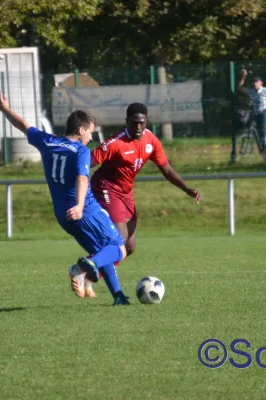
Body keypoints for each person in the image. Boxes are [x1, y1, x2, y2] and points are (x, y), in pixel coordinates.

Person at [0, 90, 131, 306]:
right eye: (90, 132)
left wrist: (5, 109)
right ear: (81, 129)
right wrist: (79, 205)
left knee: (101, 250)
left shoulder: (48, 142)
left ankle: (119, 297)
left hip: (62, 214)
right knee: (119, 248)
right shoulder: (80, 151)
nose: (91, 138)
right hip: (85, 210)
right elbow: (82, 178)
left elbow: (24, 126)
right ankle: (80, 269)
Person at [80, 102, 201, 297]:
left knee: (129, 247)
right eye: (134, 123)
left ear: (146, 122)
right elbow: (87, 162)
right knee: (118, 240)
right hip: (106, 189)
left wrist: (186, 188)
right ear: (126, 121)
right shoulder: (115, 143)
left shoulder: (151, 141)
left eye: (142, 123)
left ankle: (89, 274)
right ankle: (83, 268)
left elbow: (167, 168)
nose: (138, 127)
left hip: (126, 193)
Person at [238, 69, 266, 161]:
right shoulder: (252, 91)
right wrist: (244, 77)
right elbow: (240, 88)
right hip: (257, 115)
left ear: (261, 83)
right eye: (253, 82)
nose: (254, 83)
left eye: (256, 81)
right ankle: (264, 155)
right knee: (260, 136)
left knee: (265, 136)